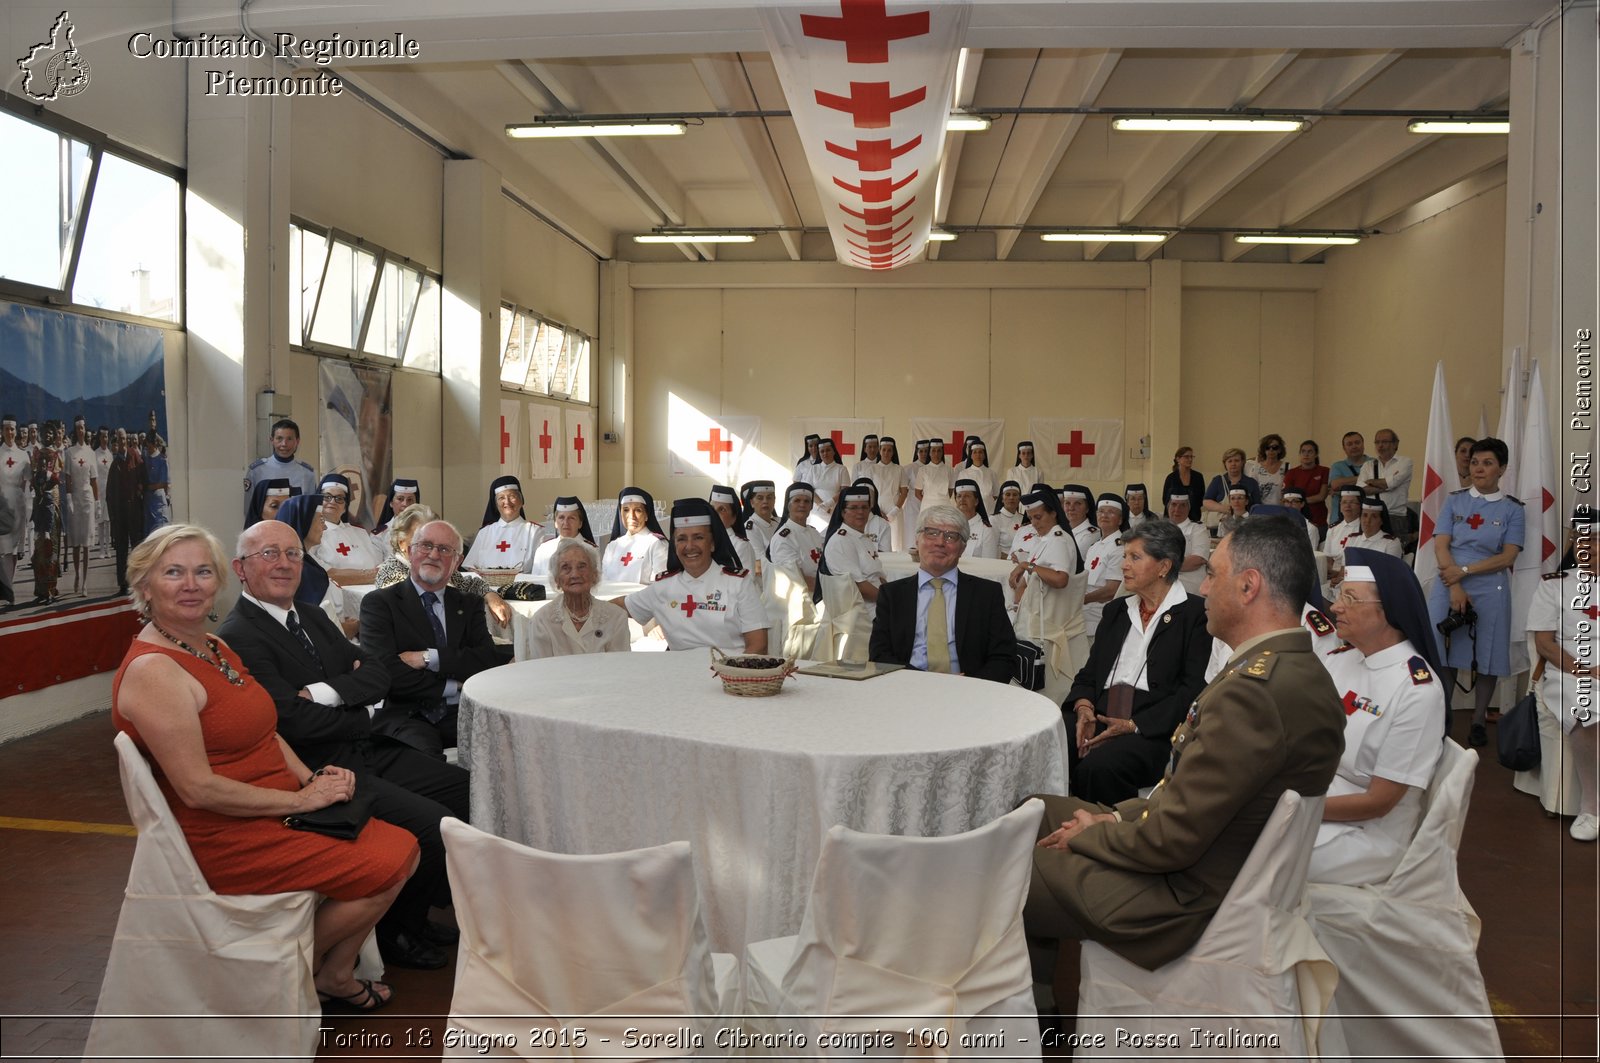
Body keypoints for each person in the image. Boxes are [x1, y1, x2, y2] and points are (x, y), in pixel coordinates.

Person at [113, 524, 417, 1010]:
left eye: (202, 572)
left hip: (270, 805)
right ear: (145, 587)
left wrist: (310, 778)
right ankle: (286, 977)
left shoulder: (212, 646)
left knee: (400, 846)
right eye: (174, 573)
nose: (191, 585)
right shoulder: (155, 672)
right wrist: (299, 800)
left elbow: (266, 729)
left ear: (218, 582)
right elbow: (198, 790)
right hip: (226, 833)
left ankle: (332, 974)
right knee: (389, 860)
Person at [1024, 516, 1344, 973]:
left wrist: (1096, 832)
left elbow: (1170, 840)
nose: (1204, 587)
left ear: (1248, 586)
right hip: (1195, 857)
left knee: (997, 865)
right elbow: (1182, 799)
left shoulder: (1253, 694)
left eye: (1213, 574)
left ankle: (1016, 1007)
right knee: (1032, 809)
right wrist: (1114, 813)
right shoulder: (1288, 670)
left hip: (1179, 898)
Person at [219, 519, 470, 969]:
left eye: (293, 554)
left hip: (364, 744)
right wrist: (355, 699)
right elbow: (289, 720)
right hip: (323, 769)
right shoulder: (239, 634)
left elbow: (377, 671)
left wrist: (326, 693)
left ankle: (414, 910)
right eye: (269, 554)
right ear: (241, 568)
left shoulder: (311, 615)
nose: (284, 564)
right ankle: (397, 933)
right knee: (434, 823)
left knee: (465, 791)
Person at [1309, 548, 1446, 884]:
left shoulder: (1417, 690)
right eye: (1339, 595)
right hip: (1316, 795)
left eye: (1350, 599)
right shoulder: (1341, 658)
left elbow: (1379, 802)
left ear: (1389, 611)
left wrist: (1297, 809)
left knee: (1253, 848)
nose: (1335, 606)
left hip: (1368, 833)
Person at [1066, 520, 1213, 804]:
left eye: (1135, 557)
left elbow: (1193, 690)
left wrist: (1134, 725)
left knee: (1101, 768)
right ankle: (1051, 822)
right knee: (1056, 740)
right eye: (1124, 557)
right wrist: (1084, 708)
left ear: (1164, 567)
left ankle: (1104, 836)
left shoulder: (1196, 616)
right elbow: (1089, 674)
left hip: (1153, 726)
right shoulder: (1116, 611)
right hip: (1100, 710)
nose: (1124, 566)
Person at [360, 520, 509, 757]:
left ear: (457, 561)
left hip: (463, 711)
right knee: (428, 767)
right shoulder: (380, 604)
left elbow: (485, 660)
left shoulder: (468, 604)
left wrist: (430, 658)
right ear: (410, 551)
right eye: (425, 545)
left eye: (444, 549)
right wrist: (452, 685)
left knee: (508, 751)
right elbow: (384, 672)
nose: (433, 554)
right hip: (408, 715)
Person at [1428, 437, 1524, 747]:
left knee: (1487, 654)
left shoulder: (1513, 510)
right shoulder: (1454, 501)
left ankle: (1479, 719)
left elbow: (1508, 557)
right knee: (1443, 650)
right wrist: (1455, 583)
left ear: (1502, 469)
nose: (1479, 468)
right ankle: (1443, 716)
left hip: (1490, 585)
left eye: (1487, 463)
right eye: (1474, 462)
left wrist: (1465, 572)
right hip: (1448, 581)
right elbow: (1441, 544)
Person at [869, 503, 1016, 682]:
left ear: (962, 547)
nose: (939, 542)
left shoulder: (987, 594)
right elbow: (879, 655)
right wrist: (921, 681)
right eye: (931, 533)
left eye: (950, 536)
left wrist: (973, 685)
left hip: (971, 692)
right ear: (917, 540)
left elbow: (1004, 657)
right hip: (908, 688)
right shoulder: (892, 595)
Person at [1529, 510, 1600, 840]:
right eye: (1585, 541)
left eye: (1598, 541)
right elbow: (1544, 643)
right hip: (1568, 672)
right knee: (1587, 712)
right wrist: (1586, 670)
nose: (1592, 548)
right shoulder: (1553, 585)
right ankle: (1591, 808)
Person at [623, 498, 768, 654]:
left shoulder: (738, 584)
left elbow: (758, 644)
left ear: (712, 544)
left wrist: (732, 673)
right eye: (681, 539)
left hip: (729, 672)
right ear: (675, 546)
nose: (690, 546)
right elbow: (618, 607)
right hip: (681, 673)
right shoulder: (663, 586)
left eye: (698, 537)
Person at [375, 504, 512, 628]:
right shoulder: (391, 572)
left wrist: (491, 596)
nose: (433, 553)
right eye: (423, 543)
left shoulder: (434, 565)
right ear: (402, 543)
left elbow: (468, 584)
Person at [1008, 488, 1085, 703]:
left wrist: (1027, 565)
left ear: (1053, 513)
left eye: (1038, 517)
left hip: (1046, 627)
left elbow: (1061, 579)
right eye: (1031, 518)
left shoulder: (1058, 540)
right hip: (1036, 620)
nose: (1034, 522)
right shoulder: (1045, 540)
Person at [529, 538, 631, 657]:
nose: (575, 574)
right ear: (557, 580)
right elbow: (541, 671)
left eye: (582, 566)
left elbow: (620, 667)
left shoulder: (616, 617)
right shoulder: (542, 620)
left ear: (594, 575)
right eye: (566, 568)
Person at [817, 484, 887, 656]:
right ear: (842, 512)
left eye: (864, 507)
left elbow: (878, 576)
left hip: (875, 606)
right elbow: (860, 588)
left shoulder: (861, 537)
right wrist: (891, 603)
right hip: (861, 614)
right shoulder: (841, 541)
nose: (860, 512)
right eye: (854, 508)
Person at [462, 475, 545, 574]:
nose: (507, 502)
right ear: (495, 505)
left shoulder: (535, 531)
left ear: (521, 500)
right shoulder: (485, 532)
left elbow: (541, 568)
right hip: (488, 588)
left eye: (512, 496)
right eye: (501, 498)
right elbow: (471, 566)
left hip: (523, 587)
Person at [310, 473, 386, 580]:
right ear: (318, 502)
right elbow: (325, 574)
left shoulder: (360, 533)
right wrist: (367, 575)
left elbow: (378, 566)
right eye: (327, 497)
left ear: (345, 507)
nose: (332, 502)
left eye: (339, 498)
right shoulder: (311, 534)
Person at [244, 418, 318, 525]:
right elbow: (249, 511)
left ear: (297, 441)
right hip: (266, 531)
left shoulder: (307, 473)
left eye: (289, 439)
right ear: (271, 440)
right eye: (279, 438)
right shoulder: (256, 471)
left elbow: (311, 510)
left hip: (296, 532)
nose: (284, 444)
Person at [1081, 493, 1129, 637]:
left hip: (1100, 617)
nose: (1104, 515)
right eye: (1101, 511)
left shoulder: (1120, 547)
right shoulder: (1094, 547)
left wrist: (1082, 599)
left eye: (1111, 512)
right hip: (1084, 613)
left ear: (1120, 520)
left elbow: (1112, 590)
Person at [104, 429, 144, 595]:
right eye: (119, 439)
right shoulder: (114, 465)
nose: (121, 442)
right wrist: (112, 514)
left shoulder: (134, 455)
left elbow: (142, 475)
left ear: (127, 439)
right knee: (121, 548)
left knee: (136, 547)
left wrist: (140, 489)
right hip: (120, 513)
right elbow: (109, 493)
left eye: (123, 438)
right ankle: (122, 582)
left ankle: (137, 581)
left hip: (133, 509)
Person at [602, 486, 669, 584]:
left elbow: (660, 586)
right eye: (626, 510)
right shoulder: (612, 546)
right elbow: (603, 582)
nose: (631, 516)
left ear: (647, 515)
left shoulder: (657, 544)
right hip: (613, 599)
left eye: (638, 510)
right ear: (620, 514)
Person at [62, 416, 99, 596]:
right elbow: (67, 478)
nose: (81, 431)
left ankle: (85, 582)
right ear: (75, 430)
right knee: (75, 542)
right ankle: (76, 574)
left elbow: (94, 480)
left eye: (83, 428)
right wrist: (68, 498)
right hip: (75, 498)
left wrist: (98, 503)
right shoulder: (69, 452)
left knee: (86, 543)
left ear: (85, 429)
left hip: (87, 499)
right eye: (78, 428)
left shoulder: (91, 453)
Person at [530, 496, 598, 583]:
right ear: (555, 523)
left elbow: (595, 584)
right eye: (561, 518)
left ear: (580, 523)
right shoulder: (543, 550)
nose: (566, 523)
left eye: (571, 518)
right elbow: (534, 582)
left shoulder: (591, 550)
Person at [0, 416, 30, 605]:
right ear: (2, 431)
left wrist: (27, 507)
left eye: (13, 429)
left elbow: (26, 484)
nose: (10, 433)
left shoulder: (23, 455)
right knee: (2, 551)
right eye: (7, 429)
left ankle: (9, 587)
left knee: (13, 551)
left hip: (18, 506)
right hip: (2, 507)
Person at [1360, 427, 1414, 530]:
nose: (1380, 445)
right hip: (1371, 515)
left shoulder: (1405, 462)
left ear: (1395, 444)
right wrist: (1388, 486)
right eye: (1377, 442)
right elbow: (1362, 490)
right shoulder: (1368, 465)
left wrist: (1371, 482)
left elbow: (1391, 483)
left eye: (1385, 442)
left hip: (1395, 516)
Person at [1166, 490, 1210, 596]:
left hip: (1189, 585)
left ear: (1188, 508)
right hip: (1163, 582)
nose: (1177, 509)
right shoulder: (1160, 529)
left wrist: (1165, 567)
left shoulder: (1198, 529)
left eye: (1182, 505)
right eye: (1174, 504)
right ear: (1168, 507)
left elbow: (1198, 559)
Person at [708, 486, 758, 575]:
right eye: (712, 509)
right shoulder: (705, 540)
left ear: (734, 518)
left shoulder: (741, 546)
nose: (714, 514)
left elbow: (748, 581)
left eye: (722, 509)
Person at [1341, 494, 1405, 562]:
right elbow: (1344, 569)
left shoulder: (1391, 543)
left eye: (1374, 516)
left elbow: (1390, 571)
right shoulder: (1352, 539)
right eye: (1365, 515)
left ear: (1381, 521)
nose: (1367, 521)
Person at [1284, 439, 1331, 529]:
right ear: (1300, 454)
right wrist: (1296, 501)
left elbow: (1321, 496)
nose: (1306, 454)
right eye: (1303, 451)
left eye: (1310, 451)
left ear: (1316, 454)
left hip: (1318, 518)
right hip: (1296, 519)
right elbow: (1287, 497)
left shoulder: (1324, 471)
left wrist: (1298, 501)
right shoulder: (1291, 473)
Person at [869, 437, 906, 549]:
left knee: (896, 544)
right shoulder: (872, 469)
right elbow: (869, 492)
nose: (886, 452)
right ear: (879, 451)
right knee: (876, 543)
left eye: (889, 450)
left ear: (893, 452)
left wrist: (893, 512)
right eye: (884, 449)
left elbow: (904, 492)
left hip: (895, 512)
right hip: (876, 511)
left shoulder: (899, 469)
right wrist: (878, 511)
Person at [808, 436, 850, 529]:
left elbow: (845, 490)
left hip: (835, 510)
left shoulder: (841, 469)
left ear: (834, 451)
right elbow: (809, 489)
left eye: (828, 450)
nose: (825, 453)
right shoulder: (813, 469)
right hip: (817, 511)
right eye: (822, 451)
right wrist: (822, 505)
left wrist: (830, 503)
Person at [1203, 447, 1261, 514]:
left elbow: (1257, 506)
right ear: (1225, 464)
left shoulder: (1251, 482)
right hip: (1222, 522)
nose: (1233, 464)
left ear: (1242, 462)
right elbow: (1206, 502)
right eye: (1230, 461)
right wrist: (1223, 508)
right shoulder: (1218, 481)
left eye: (1236, 460)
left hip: (1246, 522)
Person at [953, 478, 998, 558]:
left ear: (976, 501)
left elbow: (989, 564)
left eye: (967, 496)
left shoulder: (986, 530)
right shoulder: (950, 526)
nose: (962, 499)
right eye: (959, 496)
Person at [740, 480, 780, 558]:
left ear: (774, 500)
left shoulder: (781, 522)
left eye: (769, 497)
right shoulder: (750, 529)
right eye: (760, 498)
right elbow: (760, 561)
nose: (765, 501)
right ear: (752, 503)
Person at [1161, 446, 1206, 517]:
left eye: (1191, 457)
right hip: (1174, 516)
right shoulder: (1171, 478)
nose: (1190, 459)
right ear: (1178, 459)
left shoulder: (1198, 477)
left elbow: (1202, 498)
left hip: (1194, 516)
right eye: (1187, 457)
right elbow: (1165, 500)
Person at [1060, 484, 1099, 560]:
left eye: (1077, 503)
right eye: (1067, 503)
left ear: (1087, 508)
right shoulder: (1060, 530)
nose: (1071, 508)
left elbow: (1069, 559)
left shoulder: (1092, 534)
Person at [1246, 433, 1288, 505]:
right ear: (1263, 450)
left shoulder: (1287, 467)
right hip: (1261, 510)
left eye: (1274, 447)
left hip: (1280, 510)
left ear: (1280, 450)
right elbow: (1252, 491)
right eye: (1267, 447)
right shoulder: (1256, 467)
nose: (1271, 450)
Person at [142, 432, 171, 535]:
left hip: (158, 501)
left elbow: (164, 483)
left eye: (150, 446)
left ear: (155, 445)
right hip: (148, 501)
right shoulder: (146, 458)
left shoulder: (162, 460)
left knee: (160, 531)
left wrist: (150, 487)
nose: (148, 449)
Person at [1329, 430, 1369, 494]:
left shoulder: (1374, 463)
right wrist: (1368, 478)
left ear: (1363, 444)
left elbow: (1382, 485)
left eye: (1357, 443)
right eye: (1349, 444)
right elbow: (1335, 485)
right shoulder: (1337, 466)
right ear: (1344, 448)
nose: (1354, 446)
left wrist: (1345, 485)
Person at [916, 437, 954, 505]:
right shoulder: (923, 470)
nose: (936, 454)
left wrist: (941, 501)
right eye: (933, 450)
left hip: (944, 505)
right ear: (929, 453)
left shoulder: (949, 469)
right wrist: (927, 502)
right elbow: (917, 493)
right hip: (928, 506)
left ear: (942, 453)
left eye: (939, 451)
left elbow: (950, 491)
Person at [961, 439, 998, 508]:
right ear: (971, 456)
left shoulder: (992, 473)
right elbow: (960, 494)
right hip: (970, 510)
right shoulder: (963, 474)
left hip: (988, 511)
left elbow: (995, 494)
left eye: (980, 452)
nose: (978, 455)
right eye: (975, 452)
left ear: (984, 455)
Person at [994, 480, 1027, 557]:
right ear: (1002, 498)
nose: (1011, 497)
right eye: (1008, 494)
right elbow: (991, 548)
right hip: (1002, 562)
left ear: (1019, 499)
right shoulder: (994, 519)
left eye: (1015, 495)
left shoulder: (1024, 519)